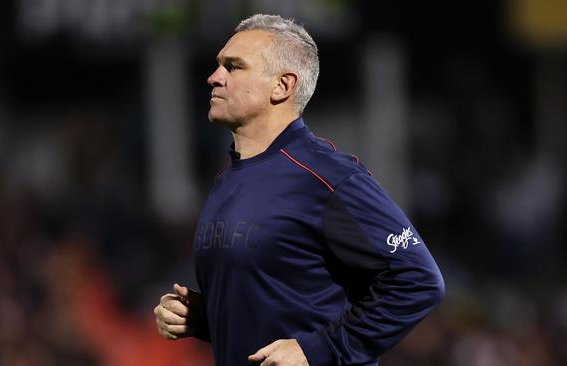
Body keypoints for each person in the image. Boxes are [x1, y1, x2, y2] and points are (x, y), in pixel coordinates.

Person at [154, 14, 444, 366]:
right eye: (218, 66)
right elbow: (284, 306)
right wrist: (207, 318)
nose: (214, 77)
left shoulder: (326, 175)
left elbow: (419, 281)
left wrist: (320, 349)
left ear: (282, 86)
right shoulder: (227, 179)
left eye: (234, 67)